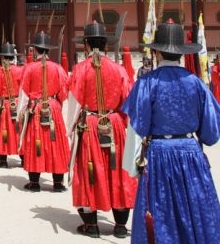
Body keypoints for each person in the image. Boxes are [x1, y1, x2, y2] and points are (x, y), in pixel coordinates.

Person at [121, 20, 220, 243]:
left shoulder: (147, 83)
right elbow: (211, 134)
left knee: (161, 216)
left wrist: (133, 167)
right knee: (195, 213)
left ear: (156, 52)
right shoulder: (197, 84)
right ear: (182, 54)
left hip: (158, 157)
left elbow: (136, 128)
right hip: (191, 156)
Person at [66, 22, 136, 238]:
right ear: (105, 44)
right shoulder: (119, 69)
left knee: (90, 170)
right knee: (117, 170)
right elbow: (128, 101)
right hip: (114, 123)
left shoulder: (79, 69)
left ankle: (91, 224)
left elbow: (74, 103)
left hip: (90, 125)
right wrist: (119, 121)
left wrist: (71, 129)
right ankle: (121, 225)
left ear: (86, 44)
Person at [17, 31, 70, 192]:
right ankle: (58, 182)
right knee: (55, 143)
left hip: (36, 108)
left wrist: (21, 113)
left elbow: (24, 94)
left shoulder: (29, 68)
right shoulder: (58, 68)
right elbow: (64, 94)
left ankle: (34, 182)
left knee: (35, 142)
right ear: (48, 50)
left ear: (35, 49)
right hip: (53, 106)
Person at [0, 42, 23, 168]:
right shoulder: (21, 71)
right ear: (13, 57)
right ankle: (24, 158)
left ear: (2, 58)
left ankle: (3, 160)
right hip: (19, 104)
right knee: (20, 130)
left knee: (3, 131)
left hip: (5, 106)